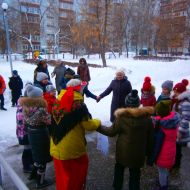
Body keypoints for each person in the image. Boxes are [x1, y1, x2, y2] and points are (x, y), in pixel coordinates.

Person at [50, 79, 101, 190]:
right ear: (79, 89)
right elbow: (89, 125)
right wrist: (98, 121)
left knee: (62, 178)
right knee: (76, 176)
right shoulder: (78, 104)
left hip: (56, 145)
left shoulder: (58, 100)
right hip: (71, 149)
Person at [97, 89, 154, 190]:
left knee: (119, 169)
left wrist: (97, 127)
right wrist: (149, 154)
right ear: (138, 103)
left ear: (126, 103)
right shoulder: (147, 119)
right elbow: (150, 139)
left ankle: (117, 187)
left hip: (123, 152)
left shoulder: (121, 118)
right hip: (138, 154)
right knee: (135, 174)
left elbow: (111, 132)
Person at [19, 84, 53, 188]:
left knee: (37, 156)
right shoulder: (41, 109)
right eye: (41, 95)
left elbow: (24, 121)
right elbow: (48, 121)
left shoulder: (25, 107)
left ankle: (32, 175)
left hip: (31, 133)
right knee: (42, 158)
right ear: (38, 97)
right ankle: (40, 182)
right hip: (41, 134)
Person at [152, 100, 180, 190]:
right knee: (165, 170)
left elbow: (154, 124)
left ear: (161, 113)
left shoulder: (160, 125)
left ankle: (163, 186)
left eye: (157, 111)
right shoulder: (174, 122)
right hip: (171, 151)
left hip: (162, 154)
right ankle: (164, 181)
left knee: (162, 171)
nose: (156, 112)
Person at [171, 79, 190, 169]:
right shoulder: (178, 101)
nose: (175, 93)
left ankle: (176, 165)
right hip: (176, 128)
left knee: (177, 148)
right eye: (174, 91)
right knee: (175, 147)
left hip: (180, 130)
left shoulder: (185, 103)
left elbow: (186, 119)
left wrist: (180, 131)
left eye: (176, 92)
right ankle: (175, 163)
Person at [16, 84, 33, 173]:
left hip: (26, 131)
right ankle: (26, 166)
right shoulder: (22, 104)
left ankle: (30, 163)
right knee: (27, 149)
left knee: (29, 148)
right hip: (24, 132)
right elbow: (21, 120)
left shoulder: (26, 103)